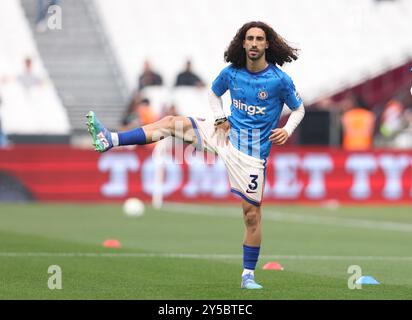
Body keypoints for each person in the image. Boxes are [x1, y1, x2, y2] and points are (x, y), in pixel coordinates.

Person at [86, 21, 305, 290]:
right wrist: (221, 117)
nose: (254, 43)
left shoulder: (279, 80)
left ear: (267, 44)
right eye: (250, 38)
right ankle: (111, 139)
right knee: (170, 123)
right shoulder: (232, 73)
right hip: (225, 134)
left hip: (251, 154)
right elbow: (214, 95)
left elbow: (299, 109)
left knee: (251, 216)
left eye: (260, 39)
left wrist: (286, 129)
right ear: (243, 42)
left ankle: (248, 275)